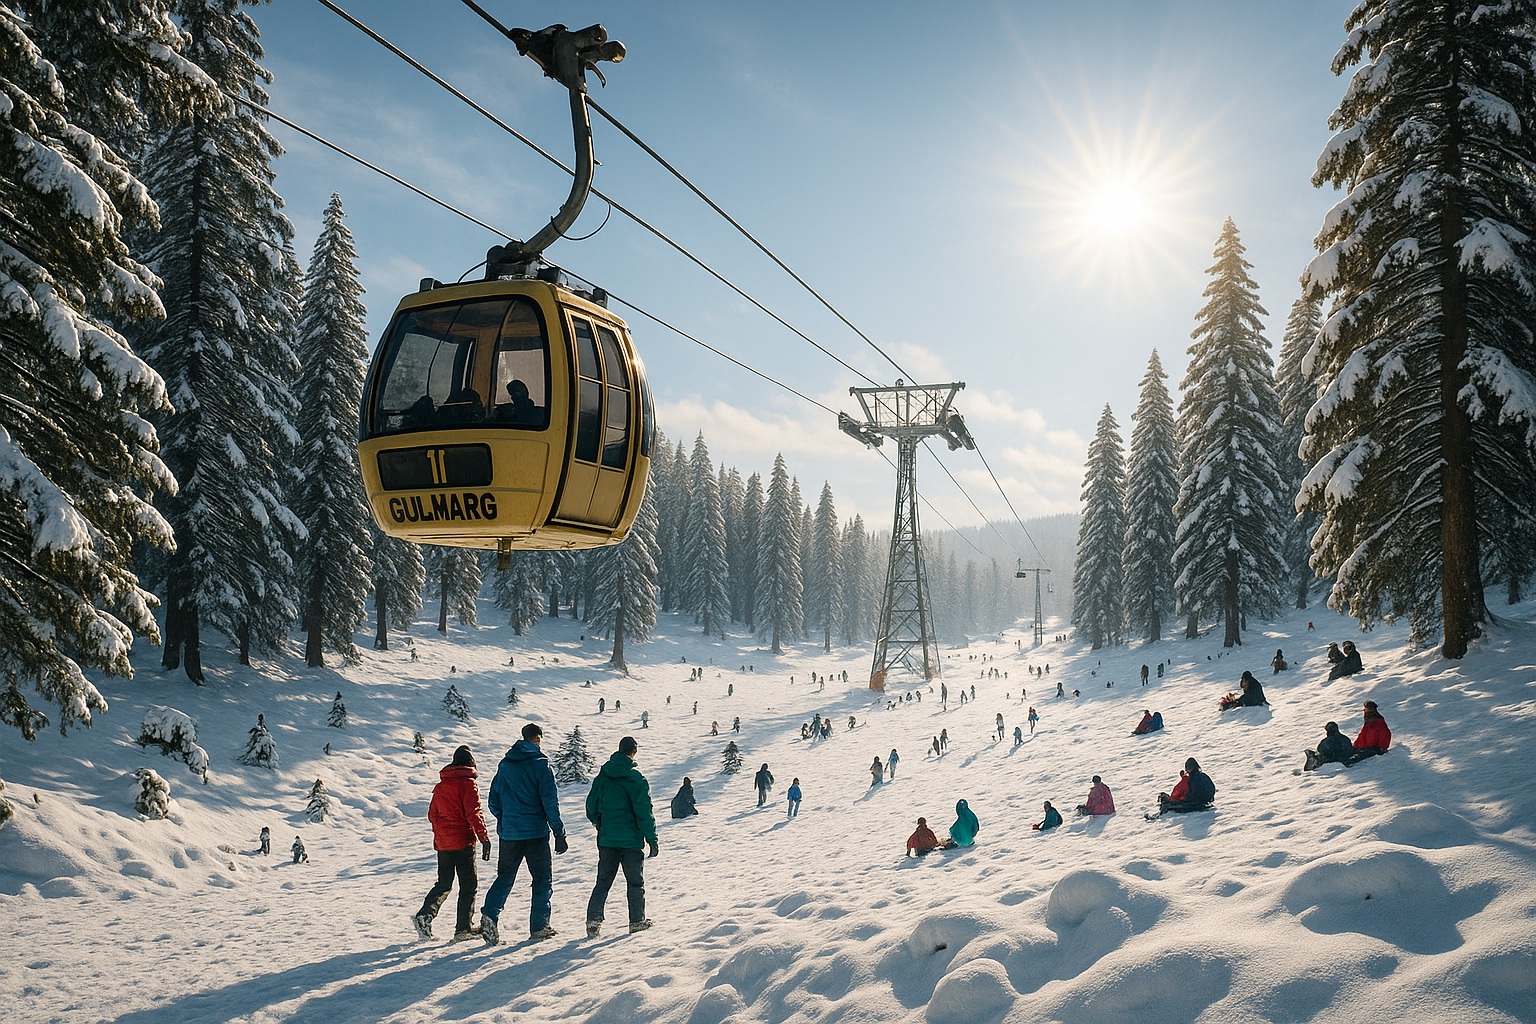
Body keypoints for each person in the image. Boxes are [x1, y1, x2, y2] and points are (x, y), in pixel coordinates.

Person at [480, 725, 569, 945]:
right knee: (542, 879)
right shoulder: (541, 765)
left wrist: (507, 818)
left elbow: (493, 800)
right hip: (535, 833)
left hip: (509, 834)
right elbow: (550, 803)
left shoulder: (505, 764)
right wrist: (559, 832)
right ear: (537, 738)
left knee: (505, 877)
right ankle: (539, 927)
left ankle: (489, 914)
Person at [414, 745, 492, 941]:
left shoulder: (442, 785)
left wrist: (442, 835)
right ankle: (463, 929)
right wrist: (484, 838)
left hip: (443, 844)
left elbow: (432, 815)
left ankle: (425, 915)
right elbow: (474, 814)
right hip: (463, 842)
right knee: (468, 885)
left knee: (443, 884)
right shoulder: (468, 784)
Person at [585, 736, 658, 937]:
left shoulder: (603, 776)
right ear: (634, 752)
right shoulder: (636, 779)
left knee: (603, 882)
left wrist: (599, 822)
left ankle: (593, 922)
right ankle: (637, 921)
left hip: (607, 839)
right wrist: (651, 837)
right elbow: (644, 812)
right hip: (631, 841)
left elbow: (591, 805)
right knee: (635, 883)